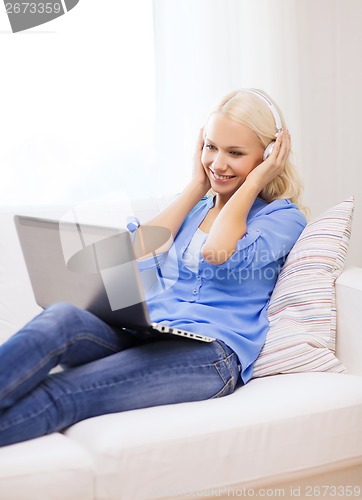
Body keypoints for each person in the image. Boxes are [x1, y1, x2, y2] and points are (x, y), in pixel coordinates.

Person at [0, 89, 307, 447]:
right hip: (148, 333)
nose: (218, 163)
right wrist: (196, 186)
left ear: (270, 155)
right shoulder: (195, 206)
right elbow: (137, 254)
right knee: (59, 319)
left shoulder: (283, 218)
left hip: (208, 355)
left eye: (235, 153)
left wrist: (254, 183)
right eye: (211, 147)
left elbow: (218, 252)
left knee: (64, 393)